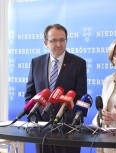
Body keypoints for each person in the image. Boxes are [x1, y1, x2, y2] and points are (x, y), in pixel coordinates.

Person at [25, 24, 87, 153]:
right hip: (41, 127)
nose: (59, 44)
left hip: (68, 128)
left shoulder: (78, 63)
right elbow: (30, 95)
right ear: (46, 42)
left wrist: (72, 121)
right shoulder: (36, 62)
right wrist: (34, 120)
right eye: (54, 40)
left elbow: (81, 96)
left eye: (62, 40)